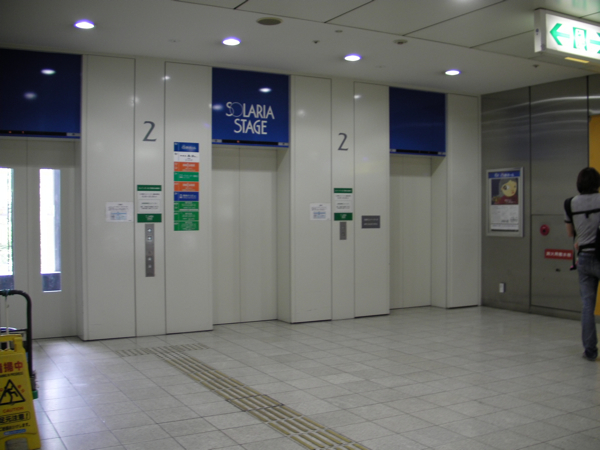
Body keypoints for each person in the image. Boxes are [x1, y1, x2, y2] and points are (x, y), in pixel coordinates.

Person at [565, 167, 600, 361]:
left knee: (587, 306)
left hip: (584, 258)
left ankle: (590, 351)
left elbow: (571, 233)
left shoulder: (570, 203)